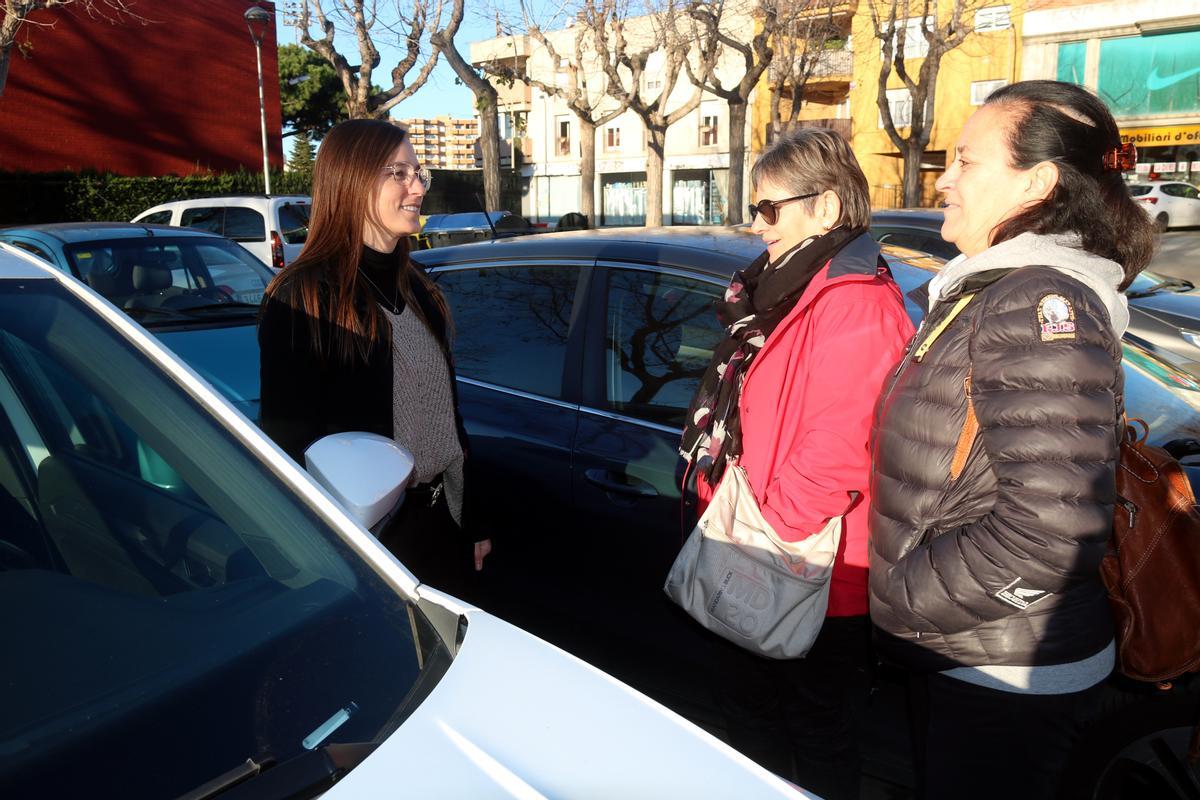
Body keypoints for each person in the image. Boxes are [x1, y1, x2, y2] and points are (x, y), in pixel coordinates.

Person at [868, 80, 1157, 799]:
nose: (945, 179)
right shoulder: (989, 290)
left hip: (1002, 669)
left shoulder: (1034, 302)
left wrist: (906, 597)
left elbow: (1053, 535)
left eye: (966, 162)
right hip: (974, 651)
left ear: (1035, 182)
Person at [679, 128, 914, 798]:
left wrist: (758, 540)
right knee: (760, 726)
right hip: (775, 557)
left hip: (804, 573)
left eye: (771, 209)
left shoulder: (855, 304)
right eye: (756, 208)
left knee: (808, 737)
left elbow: (836, 453)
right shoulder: (794, 293)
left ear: (829, 209)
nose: (759, 227)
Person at [258, 119, 491, 595]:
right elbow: (289, 441)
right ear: (353, 180)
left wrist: (473, 518)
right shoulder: (303, 296)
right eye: (399, 173)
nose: (418, 187)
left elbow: (447, 416)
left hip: (443, 523)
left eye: (418, 173)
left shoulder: (420, 288)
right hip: (370, 546)